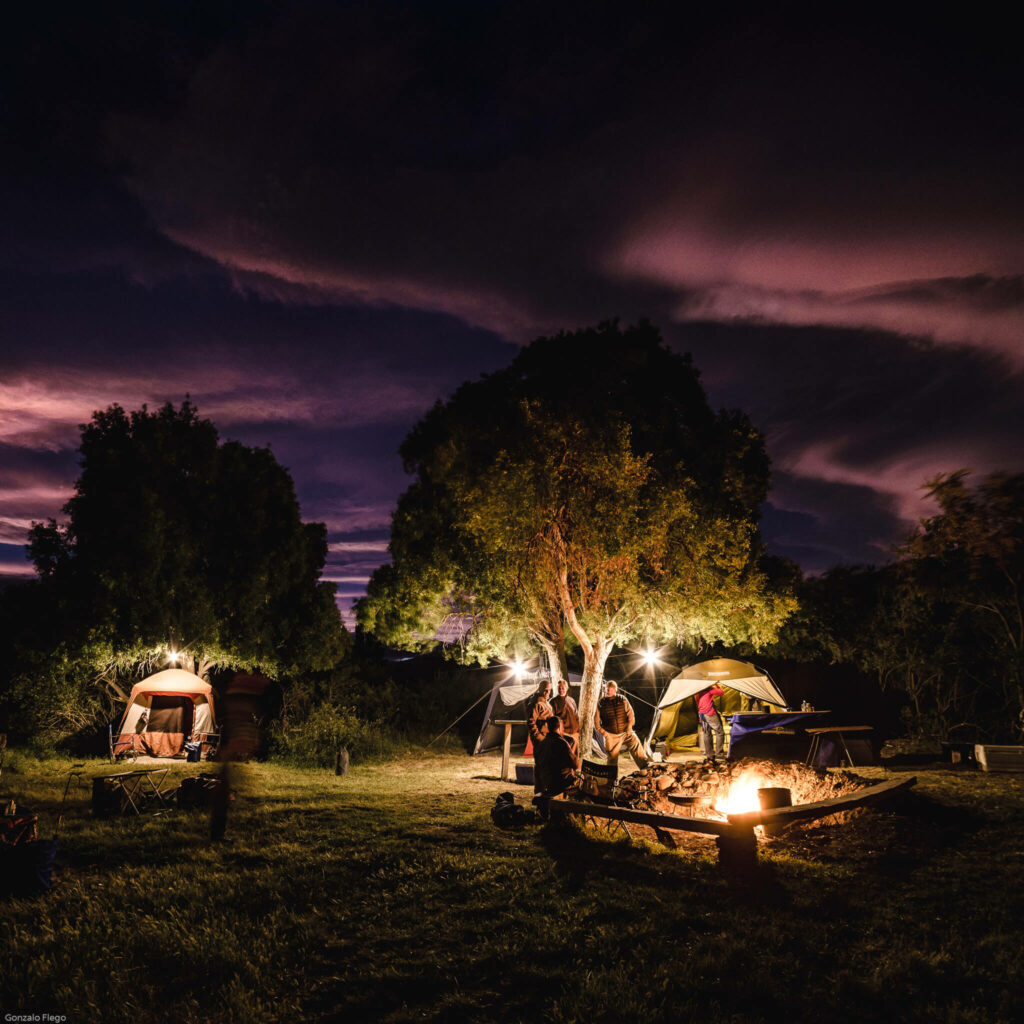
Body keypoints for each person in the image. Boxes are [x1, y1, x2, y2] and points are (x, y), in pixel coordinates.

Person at [595, 680, 648, 770]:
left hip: (626, 732)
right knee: (612, 758)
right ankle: (611, 780)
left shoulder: (622, 699)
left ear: (615, 690)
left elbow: (631, 714)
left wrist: (629, 727)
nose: (608, 691)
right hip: (611, 735)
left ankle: (645, 769)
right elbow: (596, 721)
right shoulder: (601, 703)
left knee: (636, 746)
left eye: (610, 689)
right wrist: (604, 733)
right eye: (607, 689)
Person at [534, 714, 580, 798]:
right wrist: (571, 769)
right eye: (562, 727)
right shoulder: (562, 743)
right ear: (559, 727)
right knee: (583, 782)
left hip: (546, 782)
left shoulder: (541, 744)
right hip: (559, 783)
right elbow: (576, 765)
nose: (563, 730)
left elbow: (538, 766)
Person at [549, 679, 580, 756]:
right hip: (563, 734)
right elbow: (553, 719)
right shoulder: (553, 702)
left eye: (563, 688)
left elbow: (576, 716)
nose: (561, 690)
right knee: (565, 756)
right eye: (559, 688)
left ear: (567, 688)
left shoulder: (571, 700)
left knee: (574, 756)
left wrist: (578, 731)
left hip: (574, 733)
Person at [696, 684, 725, 762]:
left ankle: (710, 755)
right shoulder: (709, 690)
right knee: (720, 732)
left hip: (702, 714)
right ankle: (719, 754)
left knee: (707, 733)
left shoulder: (697, 692)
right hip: (709, 714)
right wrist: (716, 684)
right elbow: (721, 692)